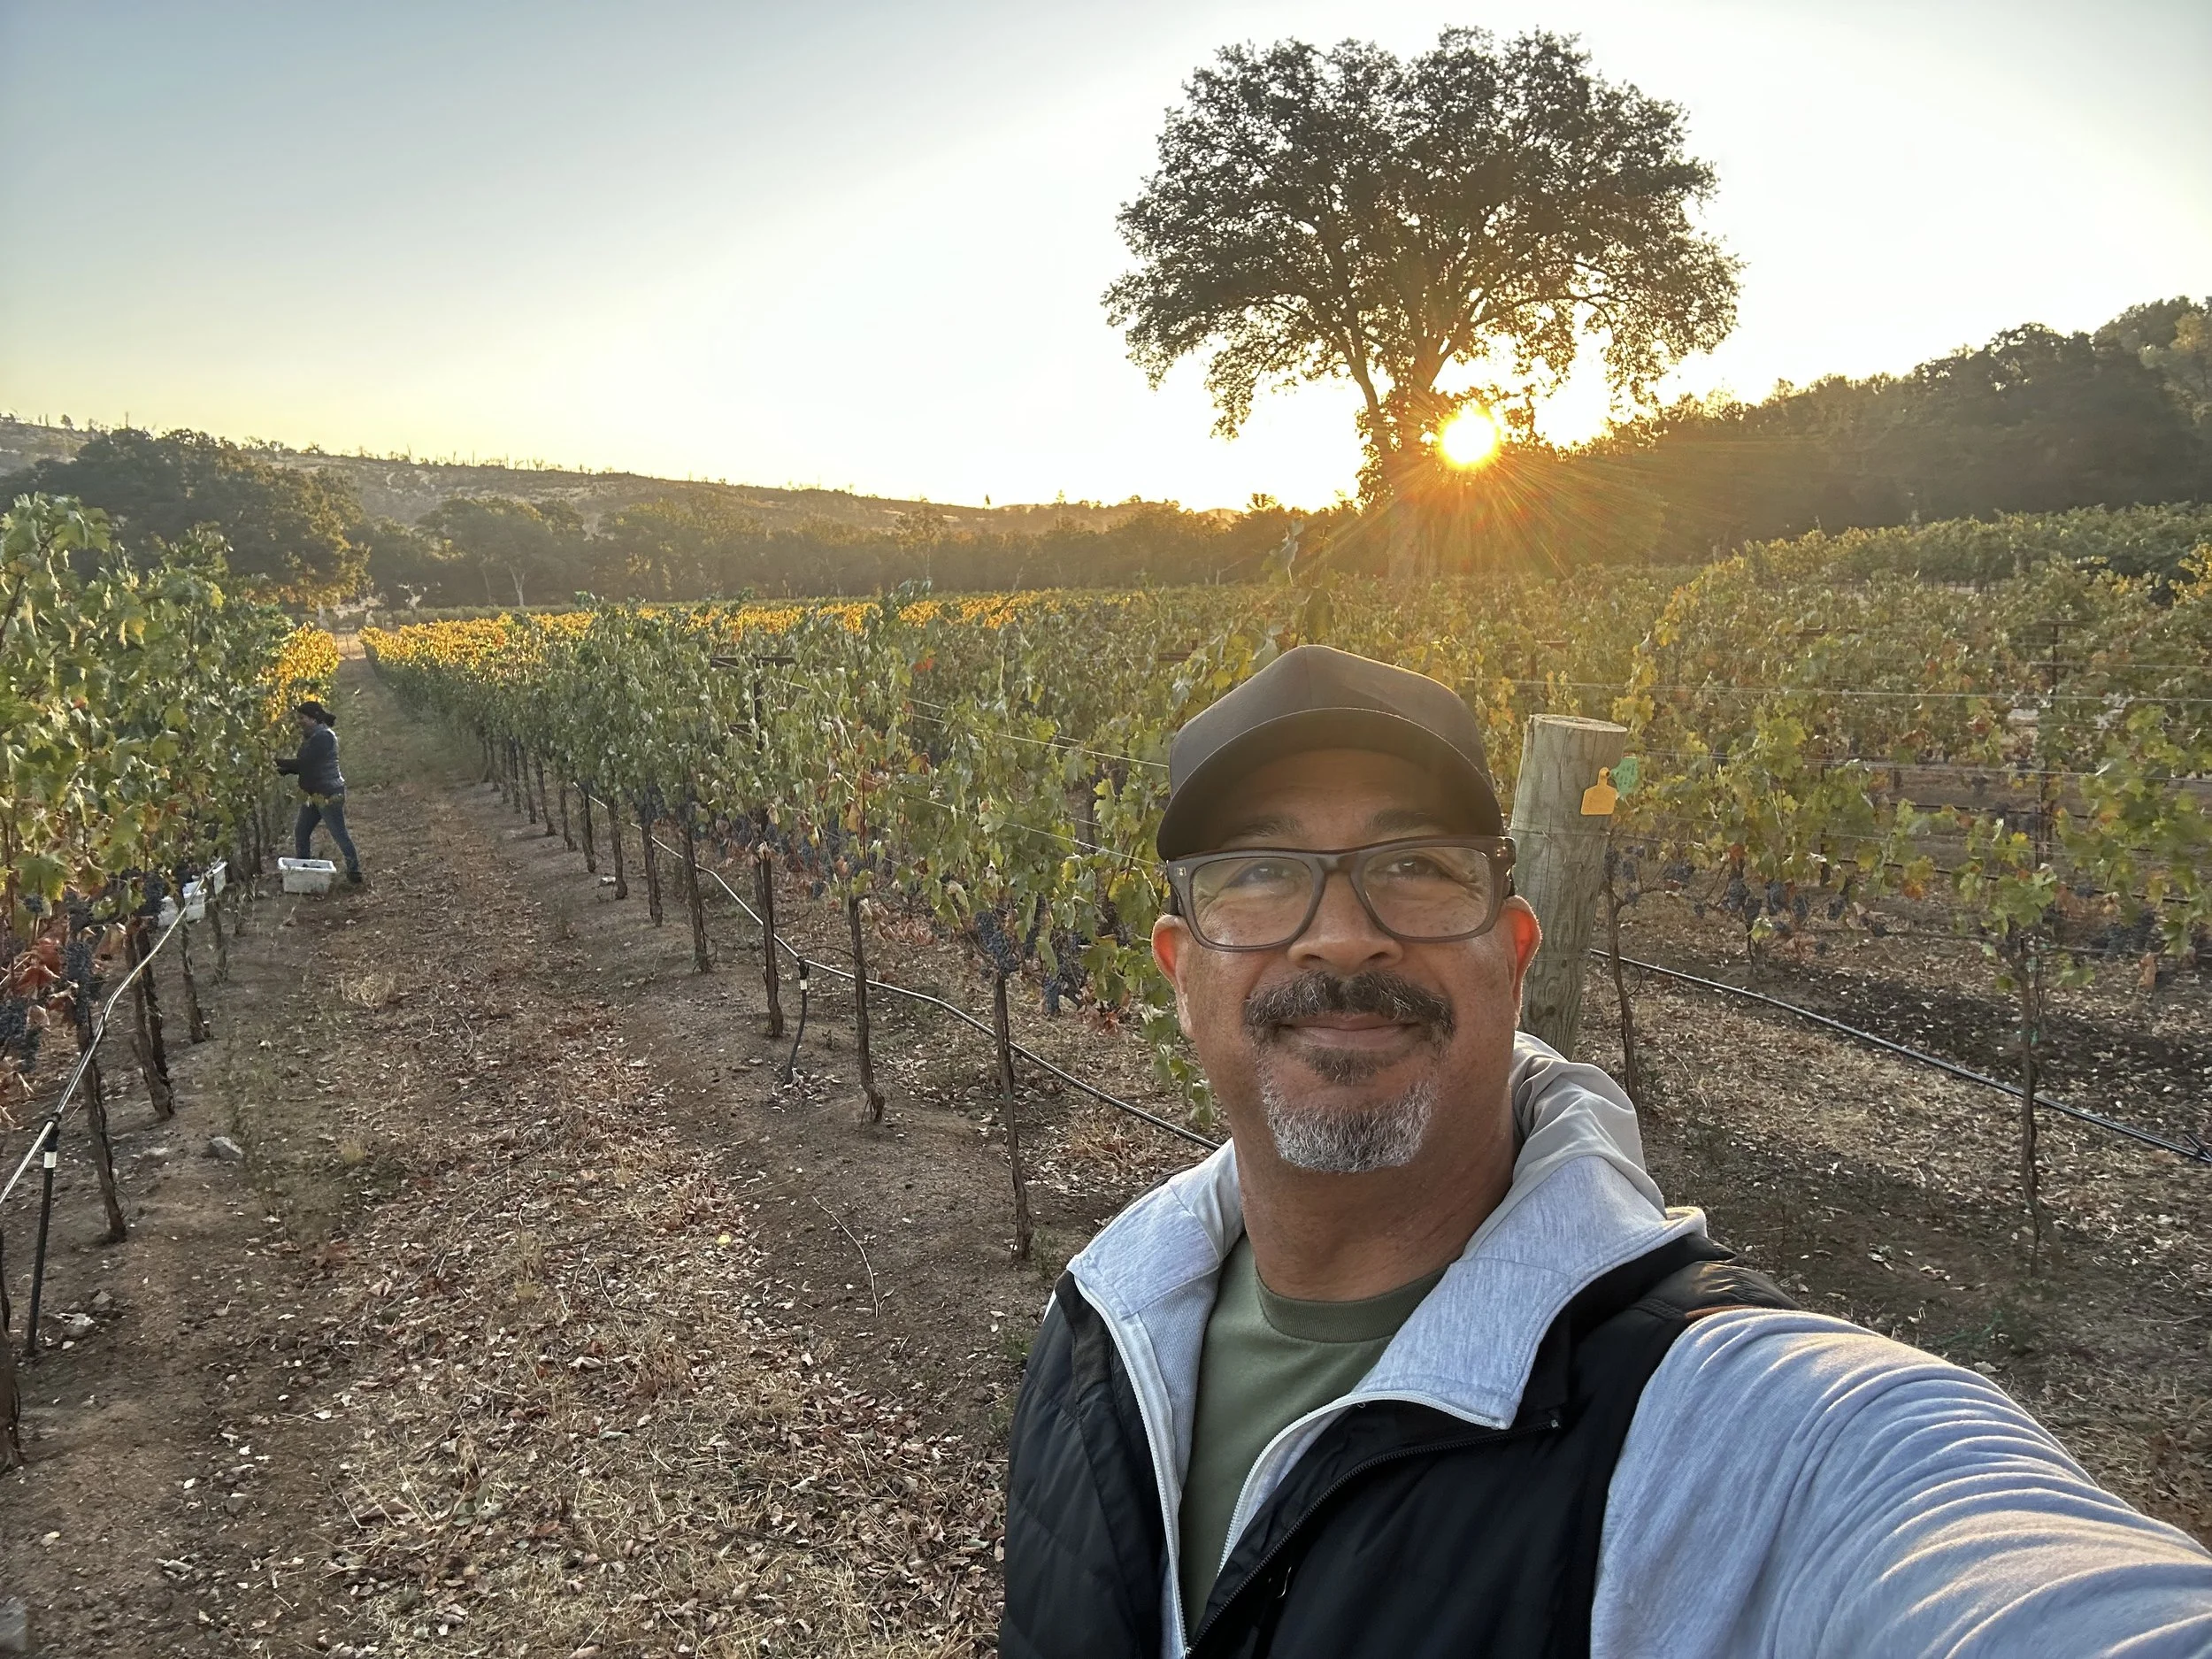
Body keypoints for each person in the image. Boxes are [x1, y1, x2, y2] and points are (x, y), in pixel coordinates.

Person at [1001, 645, 2212, 1658]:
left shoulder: (1738, 1429)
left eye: (1415, 866)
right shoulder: (1103, 1330)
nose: (1345, 935)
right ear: (1178, 972)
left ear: (1515, 954)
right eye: (1261, 874)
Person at [276, 699, 362, 886]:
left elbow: (306, 763)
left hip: (328, 792)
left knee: (338, 832)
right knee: (301, 831)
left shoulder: (324, 737)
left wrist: (278, 762)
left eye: (302, 718)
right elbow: (308, 766)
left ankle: (355, 872)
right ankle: (304, 873)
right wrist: (286, 770)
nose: (299, 722)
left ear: (314, 718)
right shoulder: (313, 737)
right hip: (314, 793)